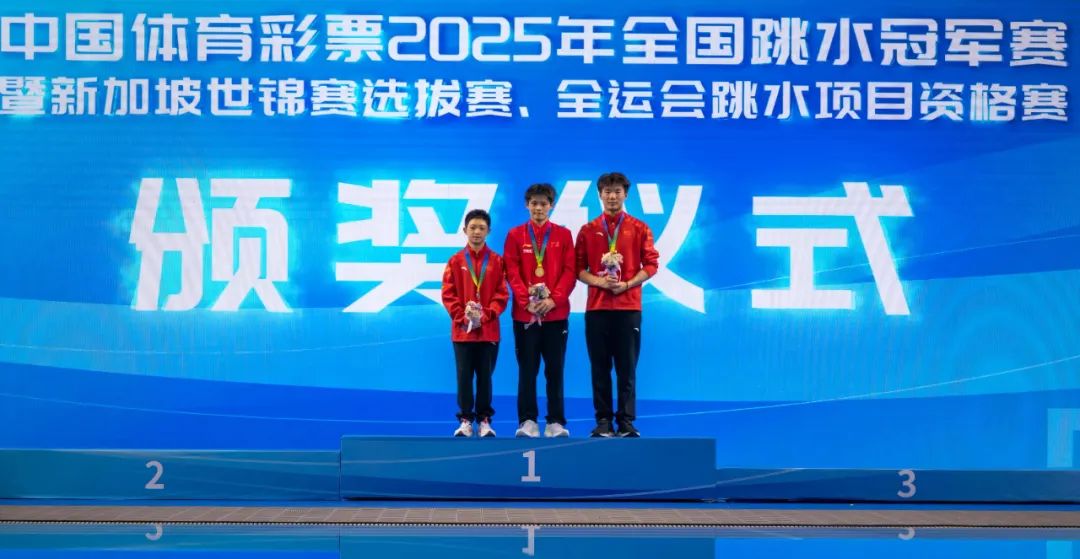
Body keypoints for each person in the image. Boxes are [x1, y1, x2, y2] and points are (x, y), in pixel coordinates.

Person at [574, 172, 659, 438]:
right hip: (597, 309)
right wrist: (599, 282)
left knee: (627, 367)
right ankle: (603, 421)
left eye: (617, 191)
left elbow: (651, 264)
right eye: (607, 192)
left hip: (628, 308)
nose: (612, 196)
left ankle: (625, 421)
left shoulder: (639, 227)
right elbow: (578, 269)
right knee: (599, 368)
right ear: (599, 195)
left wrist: (628, 283)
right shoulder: (588, 230)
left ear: (625, 195)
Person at [503, 183, 576, 438]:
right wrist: (526, 301)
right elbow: (511, 271)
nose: (538, 208)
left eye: (543, 203)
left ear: (551, 205)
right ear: (527, 205)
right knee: (527, 370)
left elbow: (570, 271)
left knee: (555, 370)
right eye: (534, 203)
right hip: (525, 315)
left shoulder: (563, 235)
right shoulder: (515, 235)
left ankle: (555, 421)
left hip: (556, 315)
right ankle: (527, 421)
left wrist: (554, 300)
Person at [441, 209, 509, 437]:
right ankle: (465, 420)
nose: (477, 232)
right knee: (464, 377)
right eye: (473, 227)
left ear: (488, 231)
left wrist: (485, 316)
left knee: (485, 378)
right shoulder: (455, 261)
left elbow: (502, 294)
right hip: (462, 333)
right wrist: (464, 318)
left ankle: (485, 420)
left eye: (481, 228)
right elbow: (448, 294)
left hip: (488, 331)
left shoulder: (497, 261)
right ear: (464, 230)